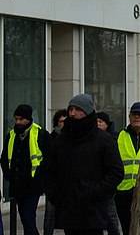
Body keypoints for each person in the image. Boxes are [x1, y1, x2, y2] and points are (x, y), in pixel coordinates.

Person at [42, 94, 124, 235]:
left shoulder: (103, 140)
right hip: (69, 210)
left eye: (78, 109)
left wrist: (96, 192)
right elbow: (49, 170)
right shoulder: (61, 141)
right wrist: (56, 195)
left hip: (93, 210)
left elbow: (116, 172)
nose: (72, 113)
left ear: (87, 111)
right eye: (71, 109)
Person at [1, 104, 50, 235]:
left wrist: (39, 176)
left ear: (28, 119)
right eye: (16, 119)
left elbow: (49, 158)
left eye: (21, 119)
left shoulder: (40, 133)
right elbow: (5, 157)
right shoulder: (11, 135)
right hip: (16, 184)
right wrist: (8, 175)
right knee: (25, 217)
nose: (18, 122)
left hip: (33, 184)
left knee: (28, 218)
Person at [115, 102, 140, 235]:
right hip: (123, 191)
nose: (137, 117)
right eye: (134, 114)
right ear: (129, 117)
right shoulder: (120, 136)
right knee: (127, 228)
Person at [43, 109, 67, 235]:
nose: (63, 123)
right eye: (61, 121)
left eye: (66, 121)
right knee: (50, 213)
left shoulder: (73, 138)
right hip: (54, 182)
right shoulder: (52, 138)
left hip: (68, 182)